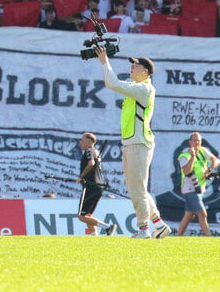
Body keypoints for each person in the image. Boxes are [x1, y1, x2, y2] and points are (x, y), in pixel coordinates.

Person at [94, 48, 171, 238]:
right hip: (131, 143)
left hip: (139, 143)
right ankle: (159, 225)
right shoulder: (136, 86)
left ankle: (143, 229)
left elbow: (111, 83)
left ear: (145, 71)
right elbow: (113, 82)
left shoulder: (144, 88)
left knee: (137, 189)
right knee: (138, 188)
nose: (132, 67)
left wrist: (104, 60)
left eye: (136, 65)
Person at [175, 132, 219, 236]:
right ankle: (209, 238)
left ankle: (177, 236)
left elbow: (216, 160)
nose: (197, 142)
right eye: (194, 140)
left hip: (200, 189)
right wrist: (192, 157)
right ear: (190, 142)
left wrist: (209, 170)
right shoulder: (184, 156)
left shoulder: (203, 151)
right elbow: (186, 171)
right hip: (190, 189)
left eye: (198, 140)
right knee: (202, 213)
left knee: (189, 215)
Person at [75, 132, 116, 236]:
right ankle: (94, 236)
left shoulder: (89, 151)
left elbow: (91, 164)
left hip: (91, 186)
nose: (80, 142)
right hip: (98, 186)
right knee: (88, 215)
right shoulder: (96, 151)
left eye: (82, 140)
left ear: (89, 141)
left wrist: (81, 176)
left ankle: (107, 227)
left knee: (81, 216)